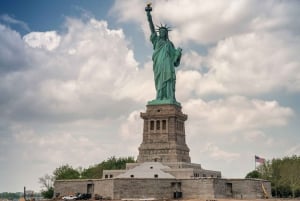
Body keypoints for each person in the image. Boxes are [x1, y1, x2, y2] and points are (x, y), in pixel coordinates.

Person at [146, 5, 182, 104]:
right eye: (160, 32)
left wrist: (178, 53)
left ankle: (169, 97)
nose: (162, 33)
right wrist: (148, 15)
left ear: (166, 34)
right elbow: (152, 28)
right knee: (159, 81)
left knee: (168, 80)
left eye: (163, 32)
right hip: (158, 64)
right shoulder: (156, 40)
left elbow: (175, 58)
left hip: (167, 65)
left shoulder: (169, 44)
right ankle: (159, 97)